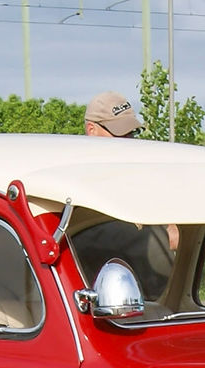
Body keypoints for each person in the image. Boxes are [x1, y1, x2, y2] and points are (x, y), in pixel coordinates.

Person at [75, 91, 176, 299]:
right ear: (91, 130)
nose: (127, 141)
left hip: (154, 298)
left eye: (131, 133)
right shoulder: (74, 182)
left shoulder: (143, 177)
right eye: (119, 133)